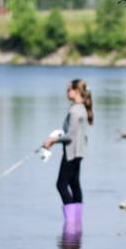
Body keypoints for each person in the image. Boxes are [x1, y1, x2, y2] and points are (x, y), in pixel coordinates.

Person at [42, 79, 94, 234]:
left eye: (68, 90)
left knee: (61, 184)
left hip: (71, 153)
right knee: (74, 183)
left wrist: (52, 140)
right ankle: (76, 223)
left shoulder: (74, 111)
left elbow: (70, 136)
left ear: (76, 91)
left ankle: (71, 223)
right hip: (80, 153)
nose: (67, 93)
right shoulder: (82, 109)